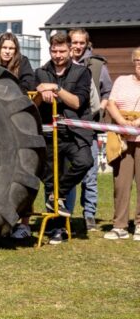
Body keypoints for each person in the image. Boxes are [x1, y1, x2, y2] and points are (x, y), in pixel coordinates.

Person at [34, 31, 94, 245]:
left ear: (70, 50)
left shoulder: (82, 73)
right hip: (50, 135)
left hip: (75, 134)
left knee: (85, 161)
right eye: (54, 51)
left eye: (62, 51)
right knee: (50, 180)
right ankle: (56, 229)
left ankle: (59, 194)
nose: (58, 55)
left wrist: (56, 88)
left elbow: (78, 102)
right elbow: (33, 105)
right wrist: (41, 93)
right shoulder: (40, 72)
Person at [0, 33, 38, 241]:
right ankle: (1, 223)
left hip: (19, 127)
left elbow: (28, 85)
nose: (8, 51)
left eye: (11, 48)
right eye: (4, 47)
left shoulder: (24, 64)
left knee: (23, 174)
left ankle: (25, 224)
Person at [67, 28, 112, 232]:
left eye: (81, 43)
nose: (77, 46)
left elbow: (107, 92)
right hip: (67, 128)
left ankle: (89, 215)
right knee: (69, 173)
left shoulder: (97, 65)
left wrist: (100, 108)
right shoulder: (62, 64)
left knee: (90, 173)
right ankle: (66, 214)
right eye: (74, 42)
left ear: (87, 44)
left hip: (89, 127)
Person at [102, 47, 140, 240]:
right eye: (138, 61)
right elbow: (111, 103)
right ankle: (120, 226)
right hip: (122, 139)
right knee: (121, 183)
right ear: (134, 62)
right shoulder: (121, 81)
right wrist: (123, 124)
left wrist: (137, 123)